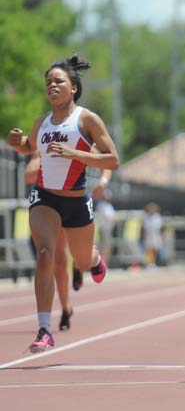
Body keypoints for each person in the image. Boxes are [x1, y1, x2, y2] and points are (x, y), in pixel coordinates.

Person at [6, 54, 119, 352]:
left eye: (58, 81)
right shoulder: (41, 122)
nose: (52, 86)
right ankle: (44, 328)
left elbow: (113, 160)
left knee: (81, 261)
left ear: (74, 88)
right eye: (48, 83)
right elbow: (30, 147)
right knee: (45, 253)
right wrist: (17, 143)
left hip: (77, 201)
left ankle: (94, 260)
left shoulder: (87, 119)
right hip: (45, 198)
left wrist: (77, 155)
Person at [24, 152, 113, 331]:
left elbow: (107, 163)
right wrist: (46, 160)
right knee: (58, 261)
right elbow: (28, 176)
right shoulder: (44, 145)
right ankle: (66, 309)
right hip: (50, 207)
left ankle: (82, 262)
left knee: (80, 256)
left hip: (74, 203)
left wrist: (102, 183)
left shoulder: (77, 141)